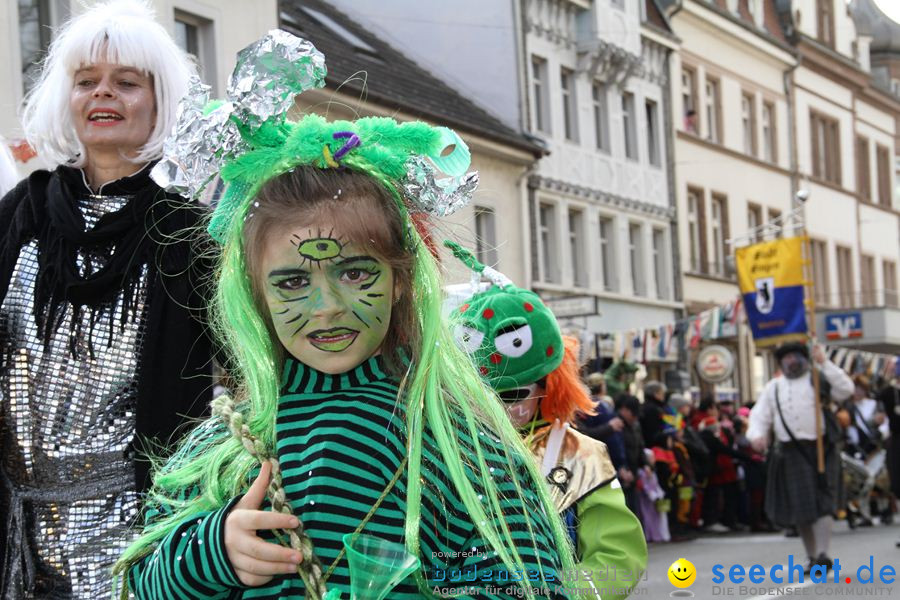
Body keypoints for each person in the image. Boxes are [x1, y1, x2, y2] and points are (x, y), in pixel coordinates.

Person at [116, 34, 573, 600]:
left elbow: (530, 580)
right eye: (292, 282)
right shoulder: (224, 445)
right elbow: (141, 580)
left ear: (401, 279)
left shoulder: (455, 442)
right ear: (254, 295)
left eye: (356, 273)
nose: (327, 306)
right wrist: (215, 549)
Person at [0, 2, 211, 597]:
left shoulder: (188, 235)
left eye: (126, 82)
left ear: (158, 101)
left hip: (138, 532)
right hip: (18, 533)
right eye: (86, 81)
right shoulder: (21, 216)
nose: (104, 95)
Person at [447, 245, 647, 597]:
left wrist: (563, 593)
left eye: (511, 395)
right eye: (482, 398)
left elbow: (617, 555)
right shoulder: (451, 450)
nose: (496, 409)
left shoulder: (578, 453)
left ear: (547, 386)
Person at [748, 342, 853, 573]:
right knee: (801, 507)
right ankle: (812, 555)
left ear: (805, 359)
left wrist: (825, 362)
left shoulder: (818, 379)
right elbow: (759, 416)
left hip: (821, 448)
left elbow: (846, 389)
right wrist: (757, 436)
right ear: (781, 363)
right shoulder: (773, 387)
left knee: (824, 502)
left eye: (796, 356)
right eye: (787, 358)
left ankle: (824, 553)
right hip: (790, 451)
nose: (792, 361)